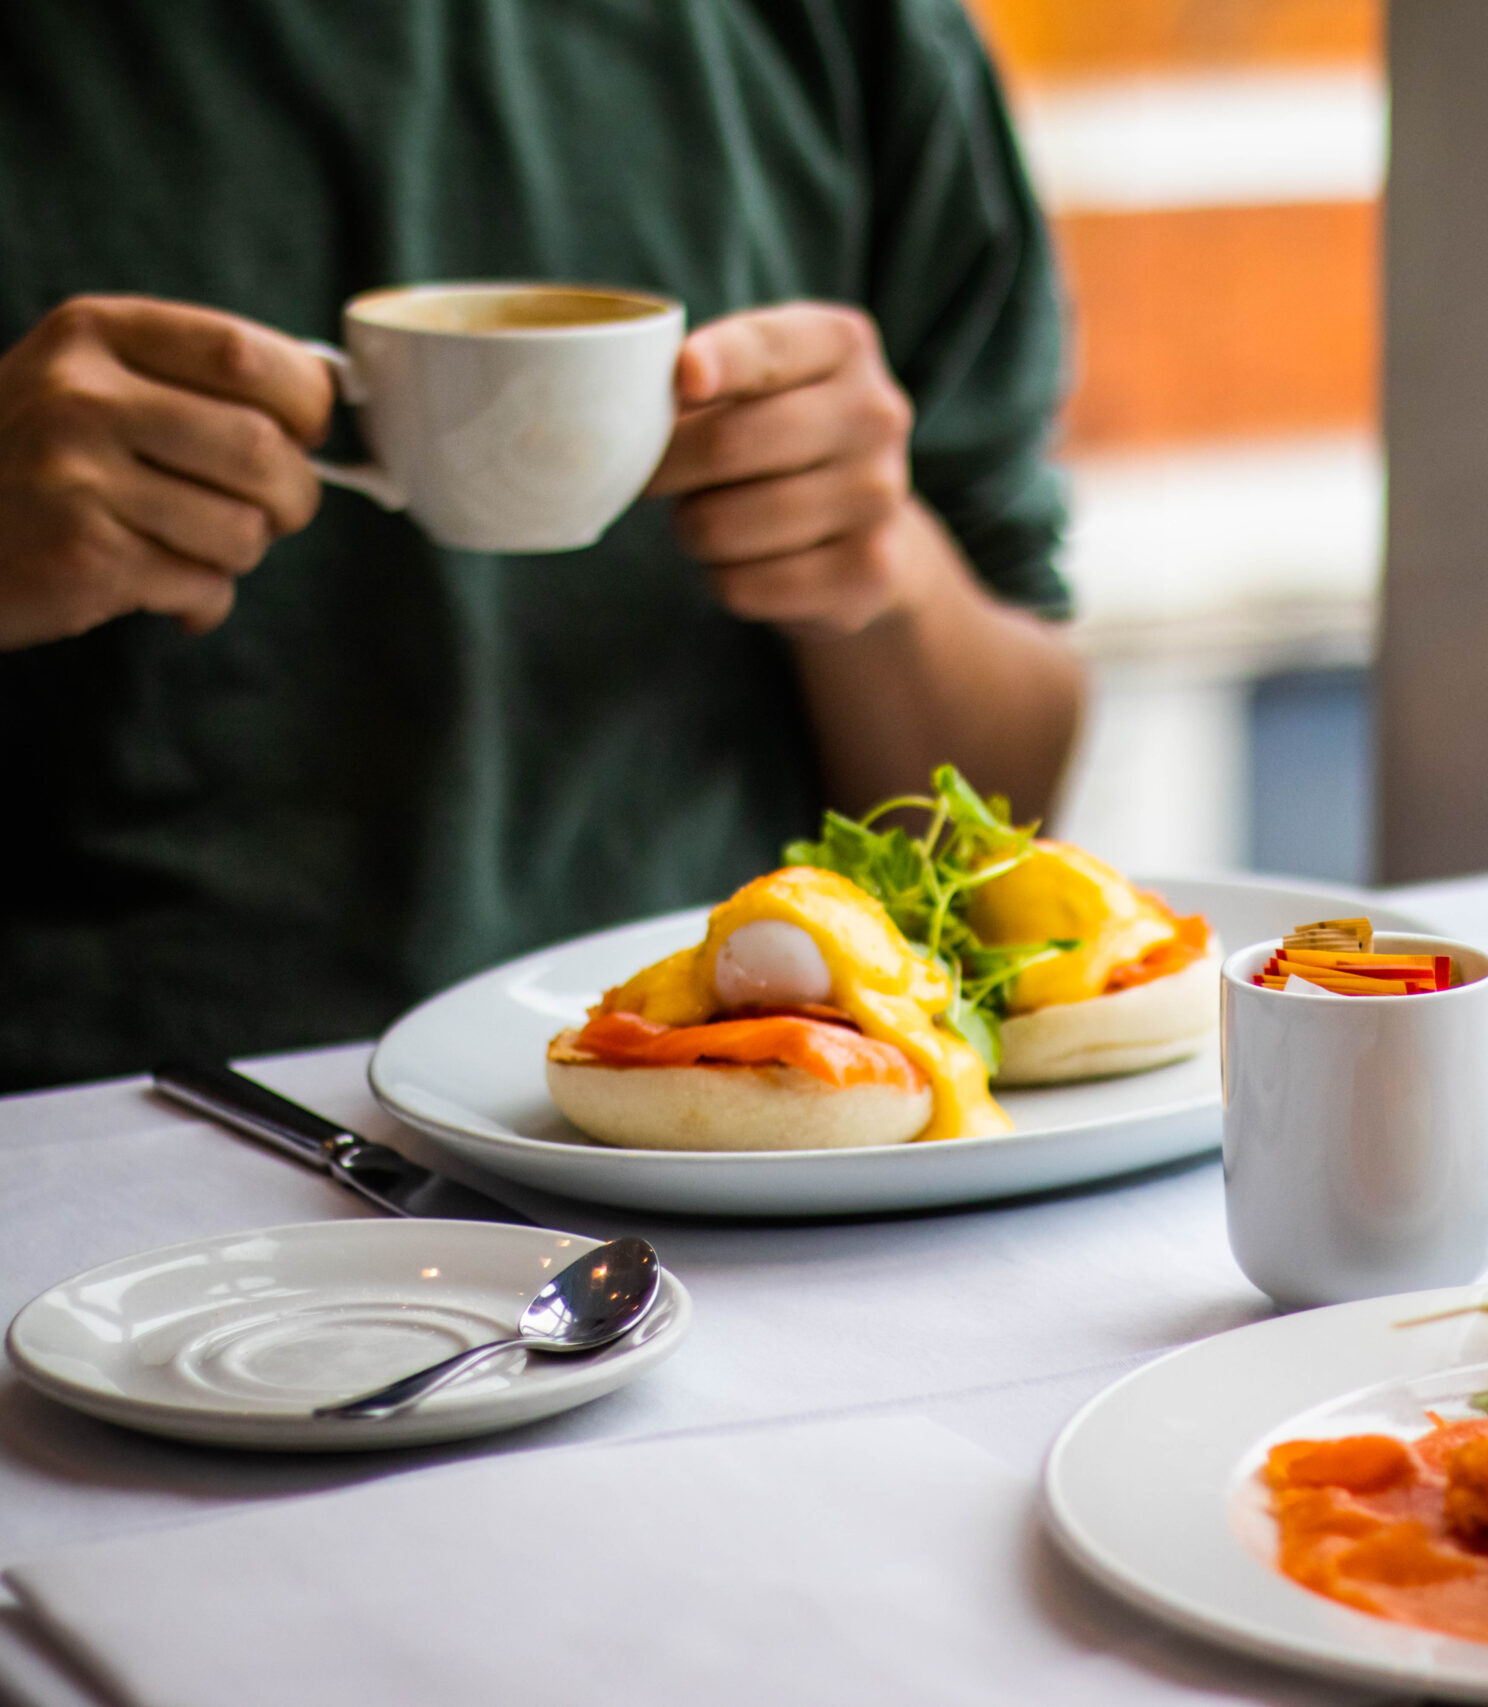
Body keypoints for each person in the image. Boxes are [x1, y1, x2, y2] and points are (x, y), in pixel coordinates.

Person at [0, 1, 1084, 1091]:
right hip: (103, 1127)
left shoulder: (857, 39)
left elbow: (1000, 815)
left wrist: (883, 572)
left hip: (721, 1111)